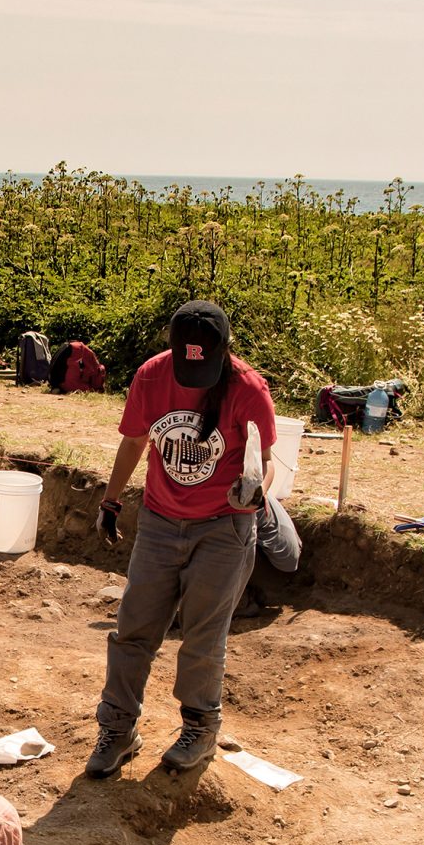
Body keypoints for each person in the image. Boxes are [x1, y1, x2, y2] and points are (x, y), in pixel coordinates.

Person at [88, 299, 279, 776]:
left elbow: (265, 457)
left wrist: (255, 491)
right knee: (134, 629)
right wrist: (110, 500)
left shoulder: (248, 388)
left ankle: (200, 726)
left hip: (223, 526)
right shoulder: (152, 376)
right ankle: (118, 728)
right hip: (158, 520)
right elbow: (134, 441)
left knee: (202, 635)